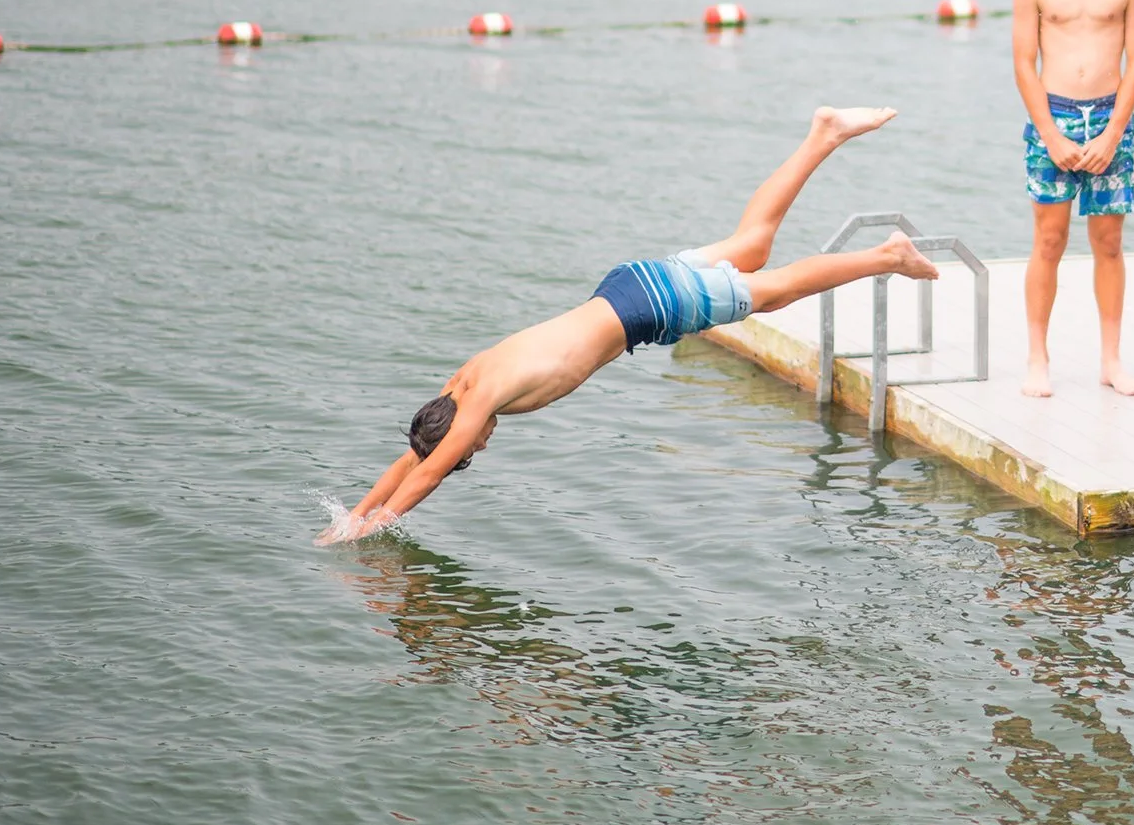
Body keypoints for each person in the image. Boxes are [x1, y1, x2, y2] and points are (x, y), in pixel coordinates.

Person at [318, 107, 933, 544]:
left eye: (470, 448)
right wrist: (355, 511)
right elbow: (416, 454)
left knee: (776, 291)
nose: (479, 445)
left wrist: (374, 527)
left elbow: (427, 470)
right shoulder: (462, 385)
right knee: (754, 244)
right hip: (624, 284)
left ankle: (888, 256)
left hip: (651, 309)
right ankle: (823, 134)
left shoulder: (478, 404)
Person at [1011, 0, 1134, 398]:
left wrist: (1114, 132)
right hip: (1055, 117)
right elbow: (1024, 63)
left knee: (1109, 243)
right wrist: (1050, 133)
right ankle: (1037, 359)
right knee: (1048, 240)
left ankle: (1111, 361)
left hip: (1110, 117)